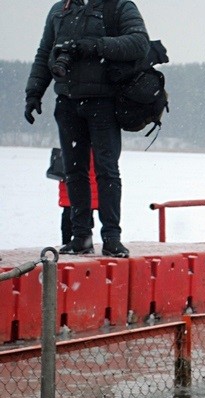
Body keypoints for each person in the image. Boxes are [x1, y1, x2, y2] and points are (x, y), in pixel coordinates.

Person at [25, 0, 151, 258]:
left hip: (103, 102)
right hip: (67, 102)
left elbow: (139, 42)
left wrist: (95, 46)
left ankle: (112, 238)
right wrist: (34, 92)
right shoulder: (60, 9)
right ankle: (81, 236)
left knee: (106, 169)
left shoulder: (118, 6)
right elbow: (44, 52)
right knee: (74, 171)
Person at [47, 147, 98, 246]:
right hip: (82, 177)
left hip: (76, 175)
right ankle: (84, 242)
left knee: (71, 214)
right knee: (83, 214)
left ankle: (70, 242)